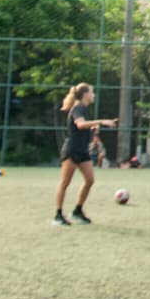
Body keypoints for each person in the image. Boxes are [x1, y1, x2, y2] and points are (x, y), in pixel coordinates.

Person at [53, 83, 116, 226]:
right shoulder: (78, 108)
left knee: (90, 180)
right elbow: (80, 124)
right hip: (72, 150)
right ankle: (58, 215)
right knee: (65, 183)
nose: (94, 95)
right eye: (92, 92)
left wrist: (94, 127)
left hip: (82, 151)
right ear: (85, 94)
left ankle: (77, 211)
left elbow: (84, 127)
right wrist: (101, 121)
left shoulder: (85, 109)